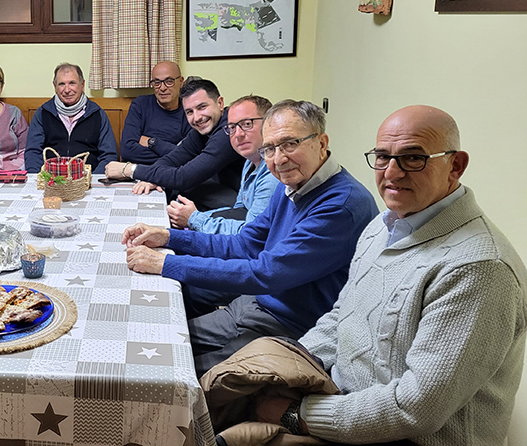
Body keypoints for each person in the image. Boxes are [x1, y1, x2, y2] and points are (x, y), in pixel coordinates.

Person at [252, 106, 526, 446]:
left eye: (413, 158)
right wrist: (285, 369)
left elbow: (417, 408)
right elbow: (341, 318)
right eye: (382, 157)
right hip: (342, 406)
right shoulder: (381, 228)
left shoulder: (479, 268)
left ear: (455, 166)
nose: (392, 172)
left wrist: (299, 414)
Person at [123, 100, 377, 377]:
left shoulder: (340, 205)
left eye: (290, 144)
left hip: (290, 326)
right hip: (254, 304)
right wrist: (169, 237)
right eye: (269, 149)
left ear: (321, 142)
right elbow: (245, 243)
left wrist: (165, 264)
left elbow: (265, 272)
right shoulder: (292, 183)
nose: (279, 159)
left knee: (176, 373)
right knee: (156, 345)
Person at [106, 78, 245, 211]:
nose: (196, 118)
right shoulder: (201, 131)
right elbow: (172, 159)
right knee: (177, 190)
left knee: (182, 189)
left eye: (202, 107)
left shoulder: (229, 130)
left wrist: (130, 169)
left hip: (245, 202)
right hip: (227, 189)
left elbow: (183, 177)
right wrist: (151, 177)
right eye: (189, 112)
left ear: (220, 103)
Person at [167, 95, 279, 234]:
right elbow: (239, 211)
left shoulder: (274, 172)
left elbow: (253, 233)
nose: (238, 134)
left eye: (247, 124)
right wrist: (191, 216)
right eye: (232, 127)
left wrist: (193, 219)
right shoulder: (250, 161)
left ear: (269, 123)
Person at [25, 63, 118, 174]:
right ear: (55, 87)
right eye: (62, 84)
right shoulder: (43, 113)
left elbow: (109, 155)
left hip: (88, 180)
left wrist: (93, 180)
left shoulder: (97, 114)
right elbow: (33, 152)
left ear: (82, 85)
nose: (67, 89)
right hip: (52, 181)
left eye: (72, 83)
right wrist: (39, 178)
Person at [119, 61, 192, 164]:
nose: (162, 88)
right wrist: (174, 155)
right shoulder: (140, 105)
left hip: (170, 174)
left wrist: (153, 143)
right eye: (157, 83)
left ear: (181, 82)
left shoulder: (189, 110)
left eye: (169, 81)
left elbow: (188, 155)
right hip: (138, 171)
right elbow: (127, 150)